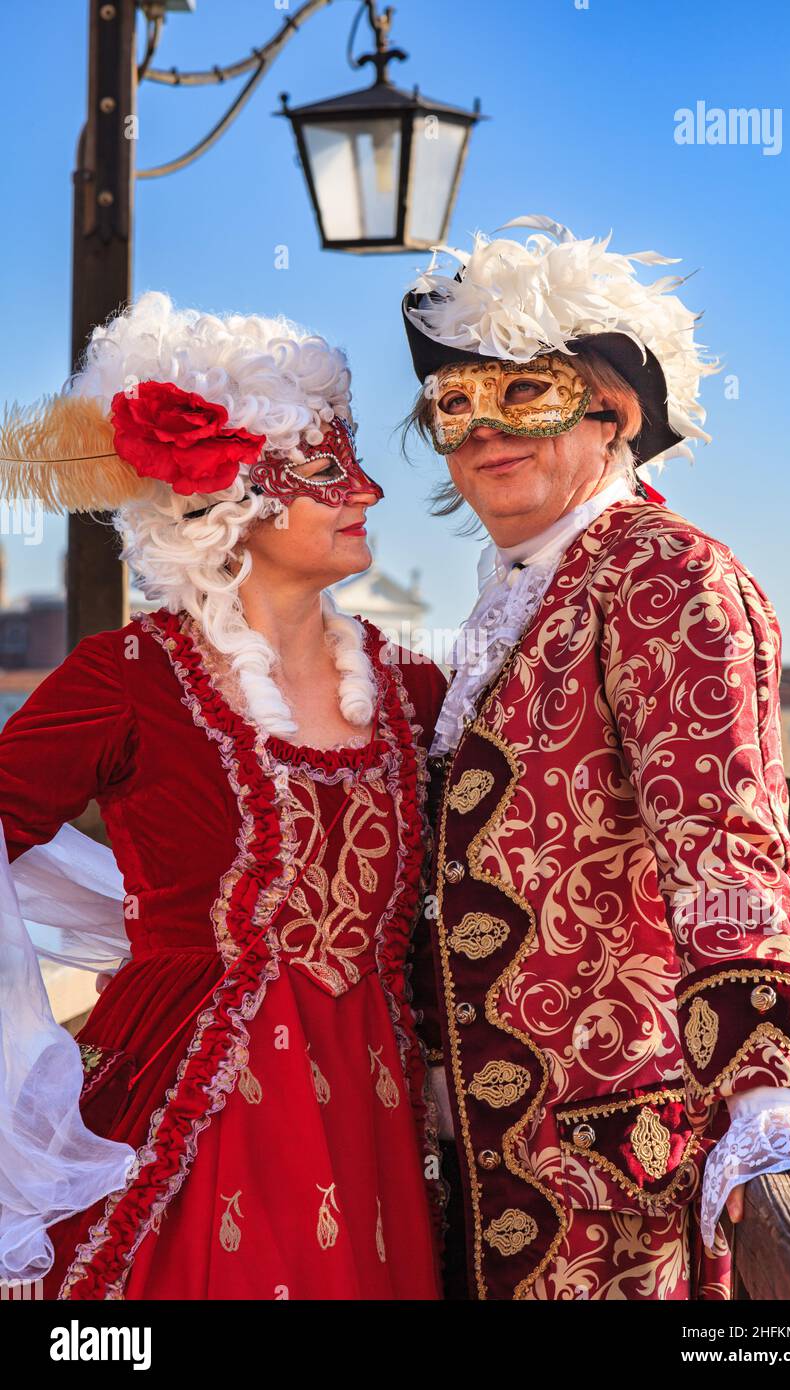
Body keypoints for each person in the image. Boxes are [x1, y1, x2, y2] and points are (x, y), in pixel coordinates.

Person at [402, 215, 790, 1301]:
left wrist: (768, 1091)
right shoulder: (512, 592)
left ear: (612, 415)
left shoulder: (664, 575)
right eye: (453, 404)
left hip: (602, 1187)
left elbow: (725, 844)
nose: (479, 432)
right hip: (476, 1164)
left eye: (525, 394)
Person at [0, 292, 444, 1300]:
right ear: (229, 497)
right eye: (326, 469)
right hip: (184, 1103)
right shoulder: (128, 675)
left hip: (375, 1119)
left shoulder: (415, 687)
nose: (367, 490)